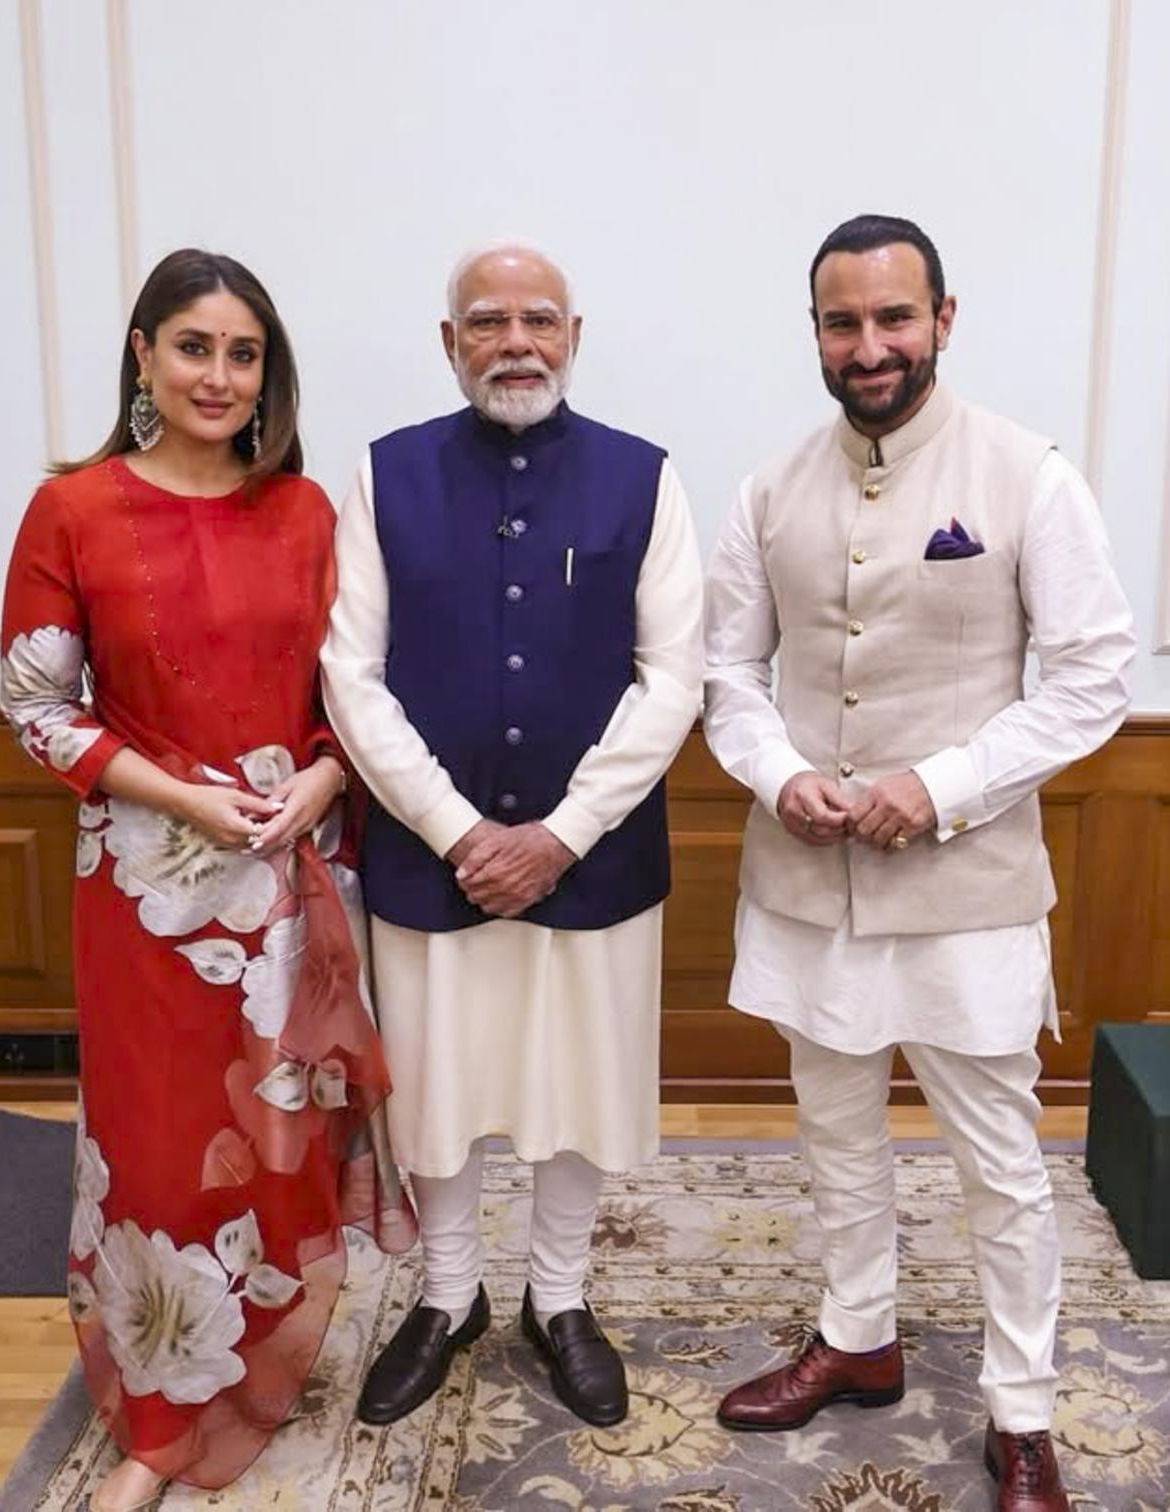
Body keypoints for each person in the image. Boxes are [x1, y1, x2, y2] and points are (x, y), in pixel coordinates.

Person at [702, 214, 1134, 1511]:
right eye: (844, 322)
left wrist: (938, 788)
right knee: (835, 1140)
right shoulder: (767, 490)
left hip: (967, 894)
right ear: (817, 335)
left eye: (896, 318)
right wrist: (781, 775)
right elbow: (726, 674)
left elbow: (1098, 674)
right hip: (803, 889)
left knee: (999, 1165)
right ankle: (858, 1338)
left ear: (946, 318)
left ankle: (1023, 1413)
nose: (870, 345)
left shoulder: (1027, 475)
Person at [0, 249, 415, 1511]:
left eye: (244, 355)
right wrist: (182, 795)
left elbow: (355, 701)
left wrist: (325, 781)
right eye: (193, 347)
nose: (219, 376)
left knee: (274, 1140)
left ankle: (253, 1359)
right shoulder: (69, 509)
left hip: (286, 890)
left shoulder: (305, 517)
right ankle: (159, 1418)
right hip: (141, 897)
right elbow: (34, 708)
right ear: (142, 355)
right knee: (158, 1145)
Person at [321, 241, 703, 1428]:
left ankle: (560, 1296)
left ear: (575, 336)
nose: (516, 341)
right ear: (450, 343)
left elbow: (673, 676)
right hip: (429, 860)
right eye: (487, 321)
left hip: (594, 860)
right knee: (436, 1087)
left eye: (540, 319)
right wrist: (453, 829)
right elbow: (351, 674)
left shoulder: (647, 478)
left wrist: (562, 834)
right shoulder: (385, 476)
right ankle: (446, 1297)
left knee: (577, 1084)